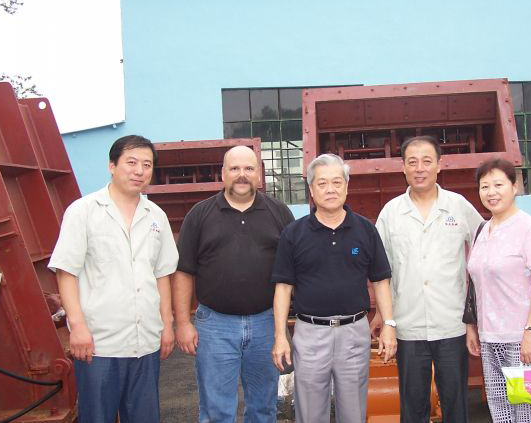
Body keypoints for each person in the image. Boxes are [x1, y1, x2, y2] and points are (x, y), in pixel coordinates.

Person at [49, 135, 178, 422]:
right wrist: (77, 327)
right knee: (98, 416)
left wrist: (167, 324)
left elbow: (162, 274)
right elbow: (66, 272)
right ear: (112, 166)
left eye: (147, 165)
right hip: (99, 344)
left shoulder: (156, 216)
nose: (139, 171)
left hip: (146, 341)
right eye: (131, 162)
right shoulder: (83, 211)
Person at [271, 153, 396, 423]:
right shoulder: (293, 234)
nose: (331, 189)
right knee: (310, 412)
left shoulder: (365, 230)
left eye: (337, 182)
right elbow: (283, 287)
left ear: (347, 187)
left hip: (354, 334)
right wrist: (280, 336)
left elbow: (381, 280)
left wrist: (389, 324)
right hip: (310, 334)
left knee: (353, 412)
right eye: (323, 183)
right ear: (312, 189)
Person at [173, 145, 294, 423]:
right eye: (235, 168)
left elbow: (294, 269)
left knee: (263, 408)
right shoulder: (200, 214)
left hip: (266, 323)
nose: (242, 175)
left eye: (249, 168)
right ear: (223, 174)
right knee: (216, 411)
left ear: (259, 174)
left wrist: (283, 328)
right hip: (215, 325)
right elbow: (184, 272)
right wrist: (183, 323)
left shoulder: (279, 213)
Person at [375, 135, 483, 423]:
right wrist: (383, 317)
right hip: (407, 325)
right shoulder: (391, 213)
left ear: (439, 165)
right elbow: (379, 270)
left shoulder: (458, 206)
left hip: (451, 324)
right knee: (413, 408)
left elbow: (485, 246)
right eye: (412, 162)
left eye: (427, 161)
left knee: (456, 406)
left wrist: (475, 315)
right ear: (403, 167)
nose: (419, 168)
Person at [465, 158, 531, 423]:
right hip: (490, 336)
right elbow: (476, 283)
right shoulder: (483, 230)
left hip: (525, 338)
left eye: (498, 185)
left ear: (515, 187)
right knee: (500, 409)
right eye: (485, 186)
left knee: (528, 411)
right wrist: (473, 327)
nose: (491, 192)